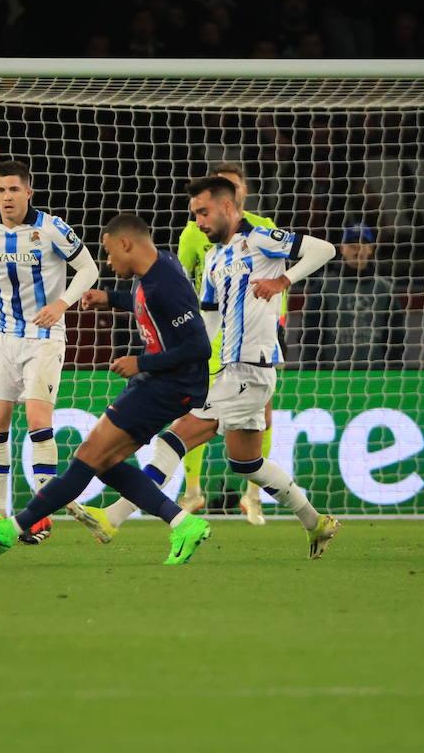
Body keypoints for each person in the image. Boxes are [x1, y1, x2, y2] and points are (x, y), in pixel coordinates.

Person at [73, 177, 342, 559]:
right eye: (194, 214)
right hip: (230, 369)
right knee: (246, 462)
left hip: (252, 368)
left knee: (173, 439)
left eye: (204, 212)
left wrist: (283, 279)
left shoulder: (262, 238)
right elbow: (207, 319)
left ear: (228, 208)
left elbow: (324, 249)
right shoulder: (215, 258)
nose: (198, 221)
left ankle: (114, 517)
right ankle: (316, 522)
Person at [0, 214, 213, 565]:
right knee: (106, 462)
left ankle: (13, 527)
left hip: (165, 385)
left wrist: (141, 363)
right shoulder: (157, 268)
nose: (107, 261)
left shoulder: (166, 284)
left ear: (125, 244)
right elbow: (147, 304)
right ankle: (183, 523)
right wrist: (110, 298)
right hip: (168, 385)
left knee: (87, 457)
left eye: (108, 251)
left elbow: (199, 347)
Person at [0, 160, 99, 544]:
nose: (6, 197)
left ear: (28, 192)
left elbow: (88, 269)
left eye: (14, 190)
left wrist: (63, 304)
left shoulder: (51, 228)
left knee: (38, 420)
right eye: (0, 190)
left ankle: (41, 516)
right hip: (2, 338)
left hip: (43, 337)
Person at [174, 162, 283, 524]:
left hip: (252, 335)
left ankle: (254, 496)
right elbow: (184, 279)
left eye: (235, 188)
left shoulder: (264, 229)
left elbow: (281, 278)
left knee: (260, 415)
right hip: (211, 334)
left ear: (242, 193)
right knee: (195, 409)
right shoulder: (194, 233)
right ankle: (192, 492)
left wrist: (277, 320)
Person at [298, 224, 404, 368]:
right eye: (352, 245)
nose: (358, 249)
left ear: (371, 249)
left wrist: (394, 370)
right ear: (342, 249)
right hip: (332, 373)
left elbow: (396, 336)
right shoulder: (324, 286)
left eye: (363, 244)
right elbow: (309, 333)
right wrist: (311, 369)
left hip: (375, 374)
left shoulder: (384, 288)